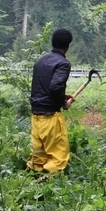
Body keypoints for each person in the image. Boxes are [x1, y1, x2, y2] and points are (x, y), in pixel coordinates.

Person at [26, 29, 76, 174]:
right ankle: (47, 181)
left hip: (36, 117)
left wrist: (62, 95)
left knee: (38, 156)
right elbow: (55, 87)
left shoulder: (40, 61)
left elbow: (42, 87)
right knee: (59, 158)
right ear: (68, 45)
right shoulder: (63, 63)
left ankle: (33, 182)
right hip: (51, 118)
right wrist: (63, 103)